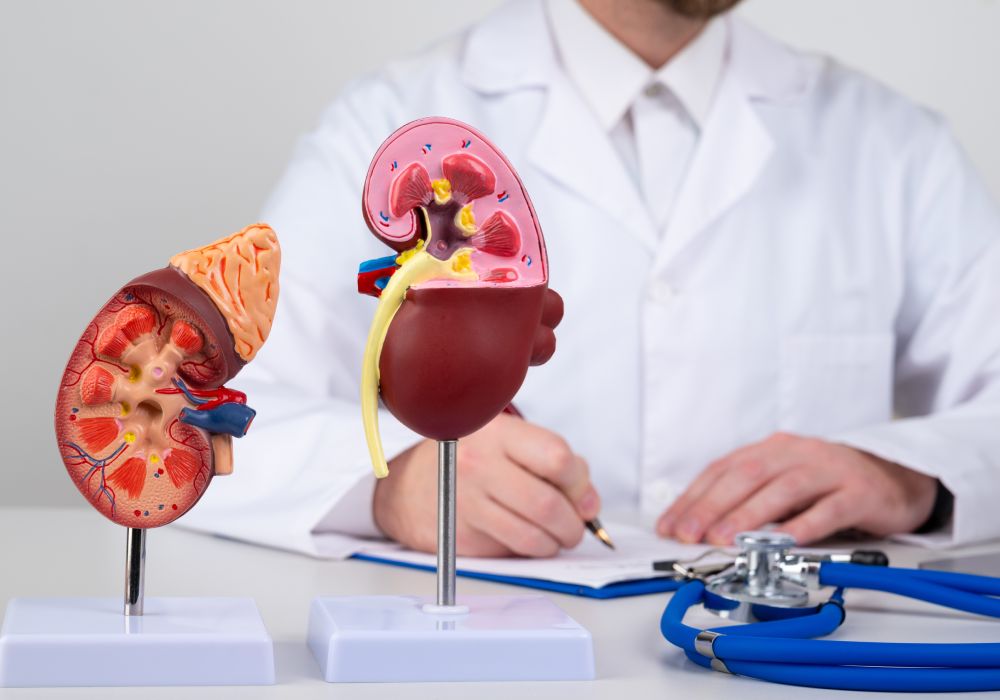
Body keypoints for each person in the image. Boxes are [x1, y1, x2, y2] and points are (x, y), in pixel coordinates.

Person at [183, 0, 1000, 556]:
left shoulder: (895, 148)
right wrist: (394, 484)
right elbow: (203, 418)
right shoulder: (393, 117)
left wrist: (912, 474)